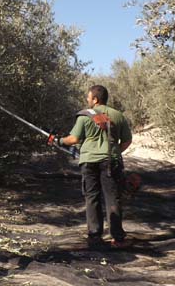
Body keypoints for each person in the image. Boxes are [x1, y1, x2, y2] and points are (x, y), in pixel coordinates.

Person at [53, 85, 133, 248]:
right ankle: (118, 238)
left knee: (92, 198)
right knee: (113, 198)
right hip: (111, 162)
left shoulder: (84, 116)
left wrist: (58, 140)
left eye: (88, 97)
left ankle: (95, 237)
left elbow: (73, 139)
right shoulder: (118, 115)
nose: (87, 100)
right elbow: (127, 141)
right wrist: (115, 151)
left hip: (89, 161)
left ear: (95, 99)